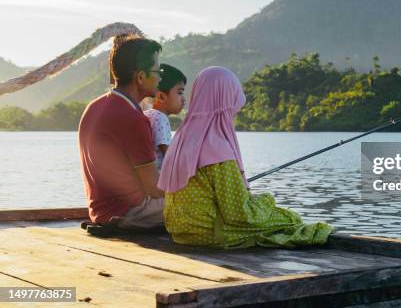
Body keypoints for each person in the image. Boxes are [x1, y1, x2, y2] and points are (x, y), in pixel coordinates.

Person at [158, 66, 334, 248]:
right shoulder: (217, 148)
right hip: (207, 232)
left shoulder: (181, 138)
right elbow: (240, 215)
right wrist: (267, 200)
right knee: (291, 218)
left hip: (179, 231)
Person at [78, 35, 165, 229]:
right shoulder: (133, 119)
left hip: (101, 212)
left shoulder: (94, 106)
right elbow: (154, 189)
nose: (160, 77)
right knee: (206, 204)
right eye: (157, 71)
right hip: (132, 212)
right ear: (141, 77)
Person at [144, 64, 186, 172]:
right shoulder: (161, 118)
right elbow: (169, 156)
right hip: (158, 181)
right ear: (161, 96)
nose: (184, 99)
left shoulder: (148, 114)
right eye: (180, 93)